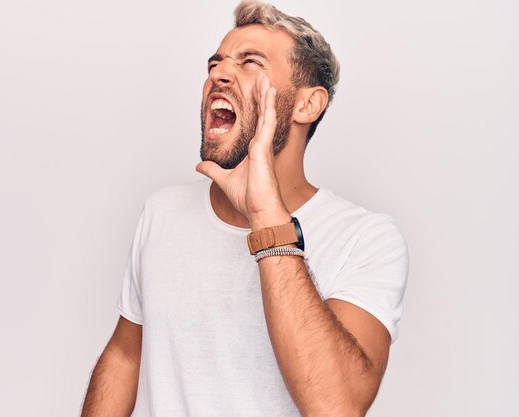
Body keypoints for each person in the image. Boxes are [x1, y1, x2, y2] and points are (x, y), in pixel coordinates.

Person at [81, 1, 408, 416]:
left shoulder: (365, 238)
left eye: (250, 62)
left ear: (308, 105)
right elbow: (126, 355)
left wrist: (267, 215)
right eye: (214, 64)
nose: (218, 74)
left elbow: (335, 405)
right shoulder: (162, 212)